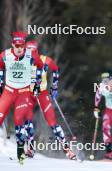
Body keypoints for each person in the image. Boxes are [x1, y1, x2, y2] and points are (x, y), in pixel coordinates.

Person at [23, 40, 76, 160]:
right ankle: (30, 148)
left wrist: (54, 86)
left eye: (32, 52)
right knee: (27, 120)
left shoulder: (45, 60)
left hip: (42, 93)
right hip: (27, 94)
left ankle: (67, 149)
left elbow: (56, 69)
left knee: (52, 122)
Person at [0, 32, 43, 163]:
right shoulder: (5, 55)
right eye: (17, 45)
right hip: (8, 91)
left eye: (22, 45)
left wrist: (36, 84)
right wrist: (0, 82)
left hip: (24, 92)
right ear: (13, 44)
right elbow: (0, 67)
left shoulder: (31, 55)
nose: (19, 48)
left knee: (21, 119)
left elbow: (39, 67)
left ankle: (22, 150)